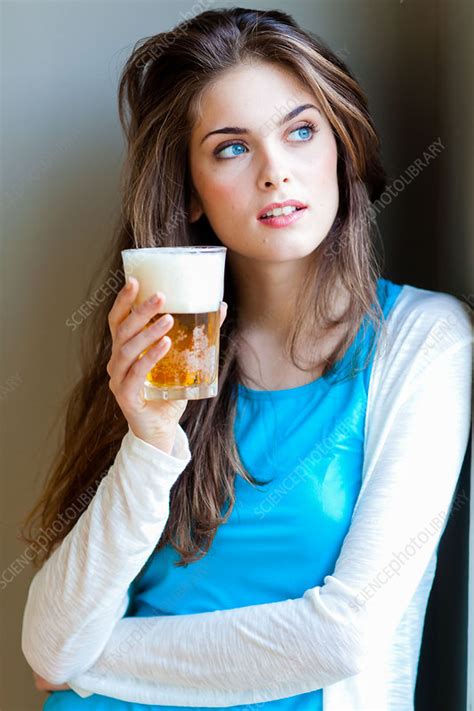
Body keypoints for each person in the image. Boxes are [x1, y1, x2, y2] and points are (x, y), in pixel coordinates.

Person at [20, 7, 471, 711]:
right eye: (231, 148)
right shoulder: (164, 348)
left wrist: (91, 658)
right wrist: (148, 437)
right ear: (193, 193)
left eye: (299, 131)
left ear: (341, 148)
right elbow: (47, 639)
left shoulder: (425, 339)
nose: (275, 172)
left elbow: (343, 636)